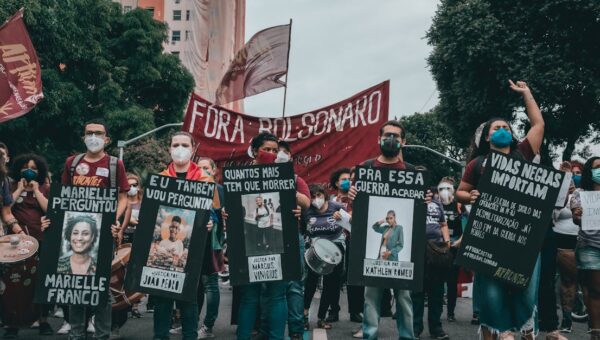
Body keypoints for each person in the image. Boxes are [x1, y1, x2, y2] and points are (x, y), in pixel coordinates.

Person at [456, 80, 544, 340]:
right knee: (491, 292)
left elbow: (538, 124)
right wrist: (469, 195)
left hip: (523, 238)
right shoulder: (477, 163)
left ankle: (525, 329)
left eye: (506, 127)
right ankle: (499, 332)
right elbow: (461, 191)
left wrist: (526, 93)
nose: (503, 129)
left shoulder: (524, 153)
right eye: (497, 127)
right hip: (489, 236)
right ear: (487, 136)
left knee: (526, 291)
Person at [348, 119, 433, 340]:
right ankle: (370, 335)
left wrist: (425, 199)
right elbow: (360, 212)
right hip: (375, 259)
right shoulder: (366, 169)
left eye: (396, 136)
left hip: (398, 261)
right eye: (387, 135)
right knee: (371, 298)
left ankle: (407, 336)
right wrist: (352, 198)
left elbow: (416, 215)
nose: (391, 139)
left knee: (404, 298)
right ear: (379, 139)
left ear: (403, 141)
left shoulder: (412, 172)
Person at [232, 131, 310, 340]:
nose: (271, 153)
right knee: (249, 297)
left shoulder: (288, 175)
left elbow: (306, 202)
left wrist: (287, 190)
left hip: (279, 239)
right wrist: (226, 212)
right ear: (255, 151)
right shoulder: (239, 177)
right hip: (249, 240)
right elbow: (233, 207)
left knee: (277, 295)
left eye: (275, 150)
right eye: (267, 149)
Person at [57, 119, 130, 340]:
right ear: (83, 137)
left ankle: (102, 335)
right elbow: (63, 197)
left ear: (107, 139)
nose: (94, 137)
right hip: (76, 233)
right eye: (89, 133)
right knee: (75, 285)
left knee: (101, 288)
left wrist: (114, 219)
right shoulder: (72, 162)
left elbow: (124, 197)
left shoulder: (114, 164)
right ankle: (76, 334)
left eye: (99, 133)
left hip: (102, 235)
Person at [153, 131, 218, 340]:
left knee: (188, 299)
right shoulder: (161, 179)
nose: (180, 149)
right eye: (176, 145)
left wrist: (211, 222)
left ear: (193, 149)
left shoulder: (206, 180)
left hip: (192, 250)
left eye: (184, 145)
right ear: (169, 149)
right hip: (164, 249)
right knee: (162, 299)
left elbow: (215, 212)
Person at [1, 153, 53, 338]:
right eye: (25, 167)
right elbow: (6, 208)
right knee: (13, 282)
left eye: (33, 167)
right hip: (14, 242)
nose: (29, 170)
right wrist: (19, 189)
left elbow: (51, 210)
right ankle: (12, 324)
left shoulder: (46, 188)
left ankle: (44, 320)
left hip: (41, 241)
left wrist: (36, 191)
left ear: (40, 171)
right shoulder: (10, 185)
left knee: (41, 281)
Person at [303, 184, 346, 330]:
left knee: (330, 285)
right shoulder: (307, 211)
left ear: (325, 195)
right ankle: (304, 315)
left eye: (319, 196)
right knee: (311, 282)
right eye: (313, 197)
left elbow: (351, 223)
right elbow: (303, 230)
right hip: (316, 249)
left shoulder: (336, 207)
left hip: (335, 249)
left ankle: (321, 317)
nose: (317, 199)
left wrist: (342, 218)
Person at [412, 191, 451, 340]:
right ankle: (415, 328)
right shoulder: (410, 199)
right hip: (417, 248)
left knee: (437, 291)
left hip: (436, 248)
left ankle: (436, 328)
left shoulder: (437, 202)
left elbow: (443, 223)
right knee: (417, 292)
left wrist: (446, 243)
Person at [195, 157, 226, 339]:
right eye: (198, 168)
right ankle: (190, 322)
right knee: (195, 285)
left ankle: (208, 325)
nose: (202, 171)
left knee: (211, 285)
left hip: (212, 244)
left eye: (206, 168)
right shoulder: (192, 187)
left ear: (214, 171)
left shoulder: (220, 191)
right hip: (195, 244)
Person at [329, 167, 364, 323]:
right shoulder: (330, 201)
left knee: (353, 277)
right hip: (334, 242)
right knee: (333, 277)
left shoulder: (357, 199)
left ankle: (355, 311)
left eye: (349, 180)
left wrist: (355, 215)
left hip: (353, 242)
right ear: (336, 183)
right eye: (343, 179)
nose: (347, 182)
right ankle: (333, 310)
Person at [571, 156, 600, 340]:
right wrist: (578, 214)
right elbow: (576, 219)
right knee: (596, 289)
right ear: (589, 171)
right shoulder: (580, 193)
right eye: (597, 167)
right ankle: (596, 332)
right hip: (590, 246)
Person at [552, 162, 579, 333]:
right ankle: (563, 319)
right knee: (564, 280)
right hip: (559, 240)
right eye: (567, 175)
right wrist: (560, 196)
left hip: (579, 240)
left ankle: (572, 319)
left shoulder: (582, 194)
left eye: (575, 174)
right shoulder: (555, 194)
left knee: (576, 281)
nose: (571, 178)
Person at [437, 177, 463, 323]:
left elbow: (469, 223)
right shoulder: (435, 205)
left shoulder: (459, 206)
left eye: (448, 188)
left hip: (454, 247)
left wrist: (460, 241)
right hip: (439, 248)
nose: (445, 192)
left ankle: (451, 312)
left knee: (452, 281)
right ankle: (438, 310)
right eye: (442, 189)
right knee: (438, 280)